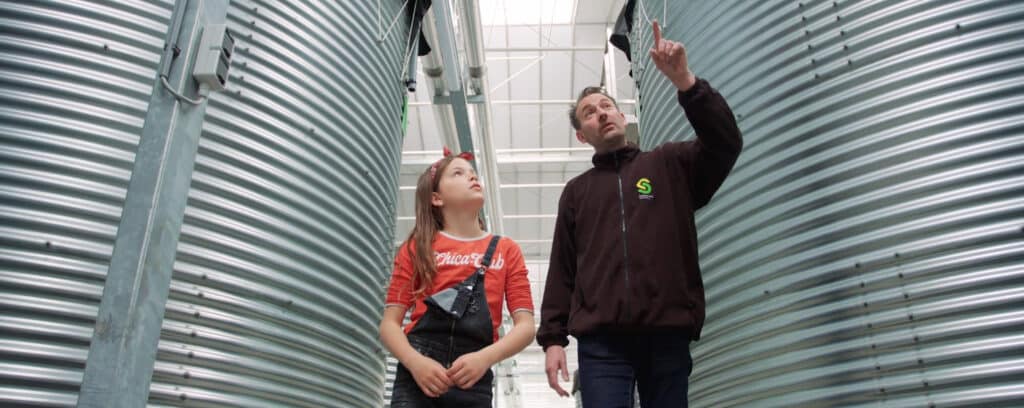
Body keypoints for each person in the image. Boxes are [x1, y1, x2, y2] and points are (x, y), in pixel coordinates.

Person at [536, 20, 743, 407]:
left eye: (606, 106)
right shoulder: (576, 193)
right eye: (589, 113)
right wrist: (552, 339)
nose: (601, 113)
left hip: (667, 333)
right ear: (582, 135)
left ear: (621, 116)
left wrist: (686, 82)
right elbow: (562, 270)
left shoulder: (669, 165)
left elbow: (726, 141)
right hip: (602, 345)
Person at [380, 148, 536, 407]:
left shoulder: (506, 250)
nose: (472, 177)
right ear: (436, 198)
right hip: (419, 376)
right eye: (458, 173)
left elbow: (526, 326)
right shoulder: (417, 246)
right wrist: (415, 362)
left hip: (473, 377)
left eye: (473, 173)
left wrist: (485, 358)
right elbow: (389, 324)